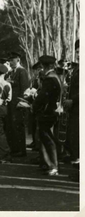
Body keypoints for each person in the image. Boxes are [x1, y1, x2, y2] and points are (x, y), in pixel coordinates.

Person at [33, 55, 62, 176]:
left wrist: (34, 103)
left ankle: (53, 165)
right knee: (45, 136)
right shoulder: (55, 77)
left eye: (42, 67)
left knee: (47, 138)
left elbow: (43, 97)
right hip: (51, 111)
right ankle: (46, 163)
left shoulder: (49, 79)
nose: (41, 69)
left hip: (46, 112)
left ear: (46, 67)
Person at [7, 51, 30, 157]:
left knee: (18, 127)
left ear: (18, 60)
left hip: (18, 104)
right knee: (13, 127)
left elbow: (25, 89)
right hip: (12, 104)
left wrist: (21, 102)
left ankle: (21, 150)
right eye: (10, 60)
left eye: (12, 60)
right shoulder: (13, 72)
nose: (10, 62)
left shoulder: (22, 71)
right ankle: (15, 148)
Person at [64, 40, 79, 181]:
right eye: (78, 52)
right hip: (75, 109)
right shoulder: (78, 68)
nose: (79, 54)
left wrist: (73, 100)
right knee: (75, 138)